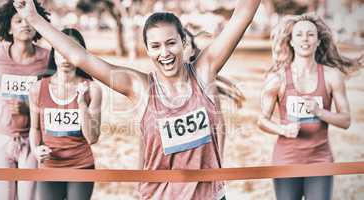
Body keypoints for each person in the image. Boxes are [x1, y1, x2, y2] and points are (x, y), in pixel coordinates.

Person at [13, 0, 260, 199]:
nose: (164, 53)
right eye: (155, 46)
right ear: (147, 49)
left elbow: (242, 16)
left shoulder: (204, 73)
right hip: (160, 196)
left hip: (209, 195)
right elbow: (80, 57)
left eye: (171, 43)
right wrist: (35, 18)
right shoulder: (139, 86)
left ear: (184, 43)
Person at [258, 14, 363, 200]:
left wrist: (319, 111)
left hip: (320, 160)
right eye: (299, 35)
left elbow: (346, 120)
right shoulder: (278, 78)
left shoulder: (332, 76)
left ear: (318, 41)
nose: (305, 39)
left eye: (310, 34)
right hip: (286, 161)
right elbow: (262, 120)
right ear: (290, 41)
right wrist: (282, 129)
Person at [0, 1, 50, 200]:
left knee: (28, 197)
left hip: (32, 139)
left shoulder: (47, 59)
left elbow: (53, 97)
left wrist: (28, 108)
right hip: (0, 137)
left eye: (29, 20)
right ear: (8, 26)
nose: (25, 25)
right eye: (18, 21)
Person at [28, 28, 101, 200]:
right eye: (61, 49)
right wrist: (35, 150)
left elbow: (93, 138)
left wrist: (82, 102)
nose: (66, 56)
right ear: (53, 52)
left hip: (81, 166)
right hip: (49, 166)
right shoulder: (37, 88)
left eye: (72, 50)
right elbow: (34, 128)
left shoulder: (93, 89)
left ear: (81, 54)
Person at [183, 28, 246, 161]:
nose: (182, 49)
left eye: (186, 44)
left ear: (193, 50)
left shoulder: (200, 70)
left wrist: (231, 88)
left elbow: (219, 123)